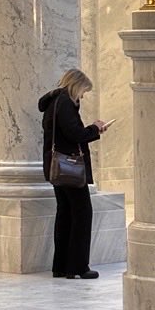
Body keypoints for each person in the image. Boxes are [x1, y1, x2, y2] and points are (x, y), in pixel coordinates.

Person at [39, 69, 108, 280]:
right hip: (69, 167)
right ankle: (78, 267)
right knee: (82, 214)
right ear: (76, 85)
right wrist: (95, 129)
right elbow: (74, 134)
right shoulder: (66, 103)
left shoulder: (53, 103)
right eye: (84, 91)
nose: (83, 96)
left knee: (66, 214)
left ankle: (61, 266)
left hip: (57, 167)